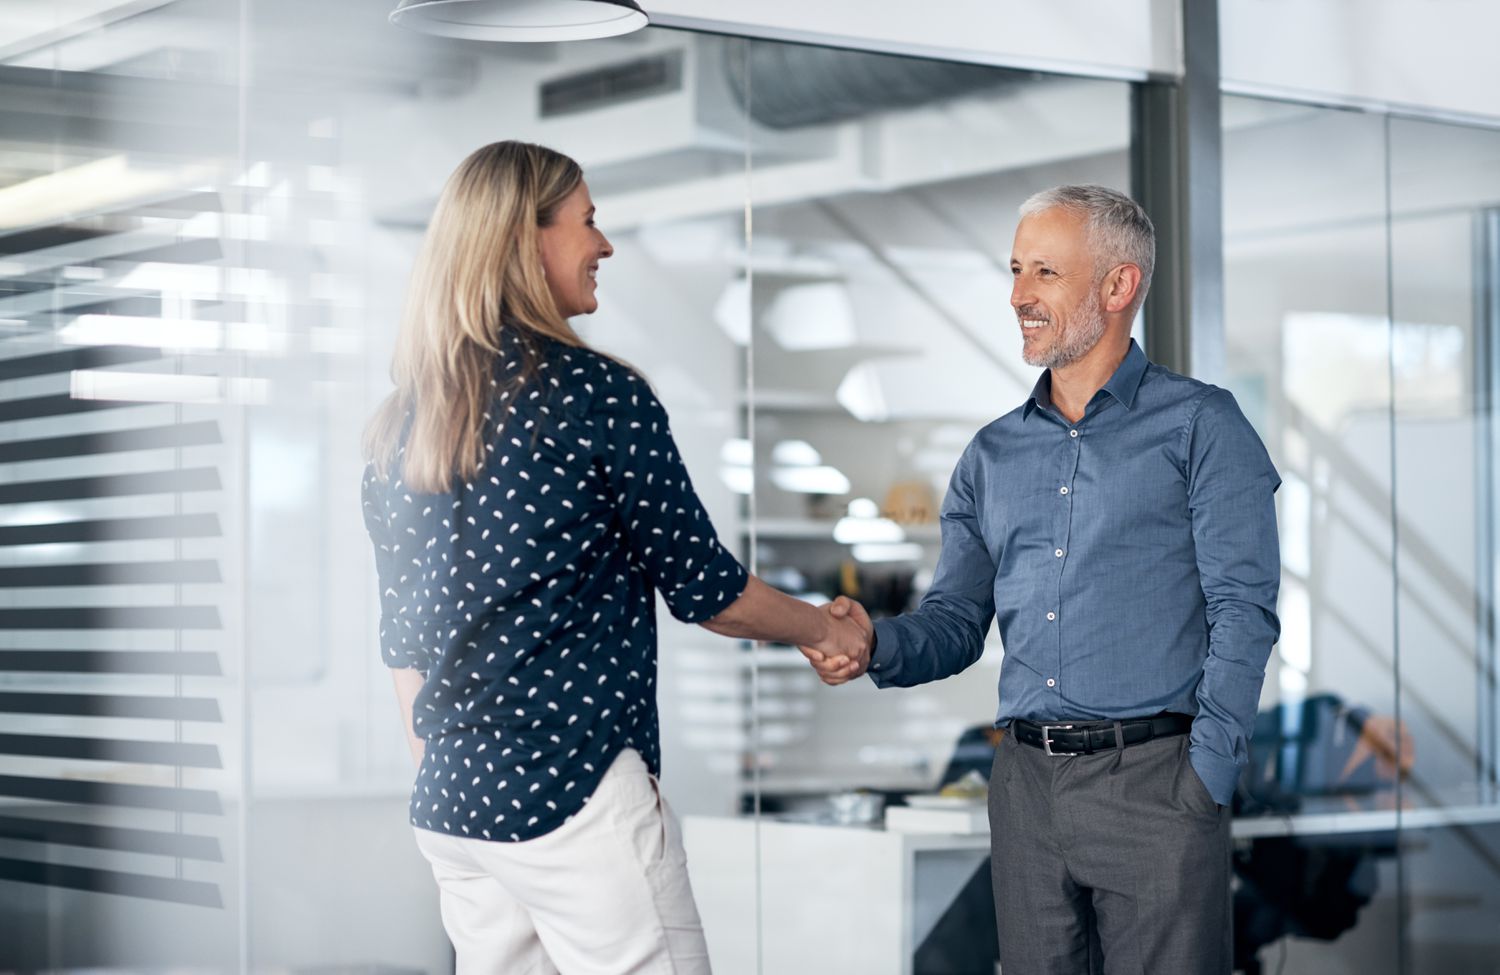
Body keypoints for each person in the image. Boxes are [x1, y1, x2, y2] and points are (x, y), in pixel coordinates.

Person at [360, 140, 870, 975]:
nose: (604, 245)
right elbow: (707, 588)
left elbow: (404, 647)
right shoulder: (594, 394)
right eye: (587, 221)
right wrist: (827, 628)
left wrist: (456, 770)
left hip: (456, 807)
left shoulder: (400, 423)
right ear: (527, 240)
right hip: (577, 794)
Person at [802, 184, 1282, 974]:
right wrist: (870, 642)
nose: (1020, 295)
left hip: (1156, 789)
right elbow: (956, 622)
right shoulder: (990, 457)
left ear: (1119, 285)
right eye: (1017, 270)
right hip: (1025, 788)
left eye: (1046, 273)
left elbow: (1244, 612)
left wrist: (1205, 782)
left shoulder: (1203, 425)